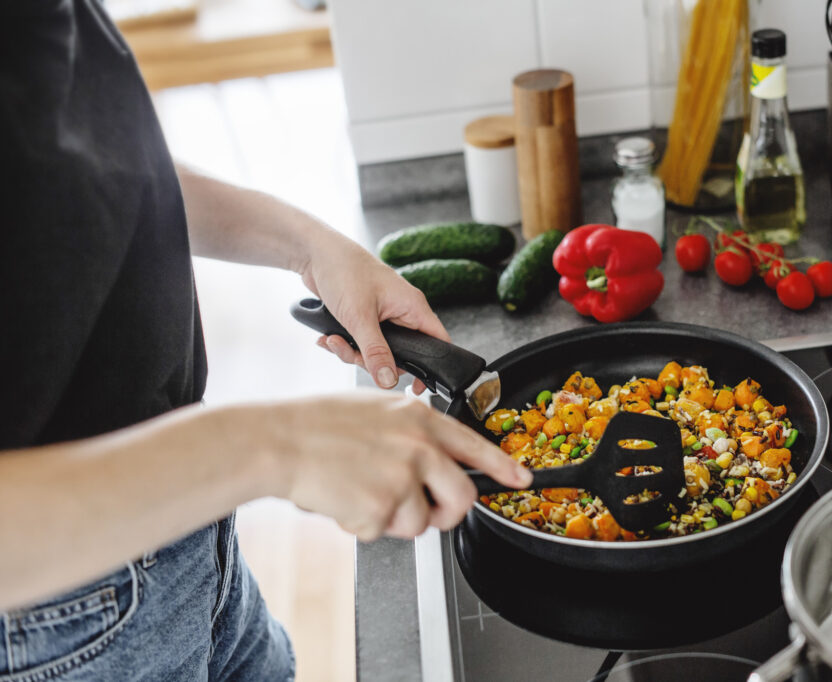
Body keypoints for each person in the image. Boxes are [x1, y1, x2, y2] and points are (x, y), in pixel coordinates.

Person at [0, 1, 531, 679]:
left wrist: (307, 246)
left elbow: (81, 165)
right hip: (53, 623)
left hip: (186, 528)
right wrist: (273, 445)